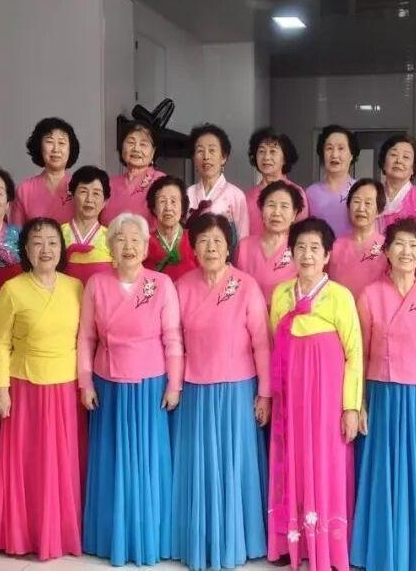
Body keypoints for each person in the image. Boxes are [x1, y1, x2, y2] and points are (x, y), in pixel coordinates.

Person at [78, 213, 183, 566]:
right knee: (112, 462)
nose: (128, 246)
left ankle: (150, 537)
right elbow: (86, 338)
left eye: (135, 239)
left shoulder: (161, 283)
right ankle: (111, 538)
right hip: (108, 384)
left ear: (145, 247)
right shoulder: (96, 283)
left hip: (150, 385)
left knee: (148, 464)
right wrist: (85, 381)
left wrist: (174, 384)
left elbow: (173, 338)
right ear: (110, 246)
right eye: (120, 239)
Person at [171, 213, 272, 570]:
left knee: (234, 465)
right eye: (203, 241)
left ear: (229, 247)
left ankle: (238, 540)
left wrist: (265, 393)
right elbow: (174, 341)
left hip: (238, 390)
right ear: (193, 249)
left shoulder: (246, 285)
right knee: (199, 468)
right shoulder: (181, 286)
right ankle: (199, 540)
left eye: (217, 241)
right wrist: (175, 384)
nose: (211, 247)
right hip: (196, 390)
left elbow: (262, 343)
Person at [350, 217, 416, 571]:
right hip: (381, 396)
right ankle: (380, 551)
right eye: (399, 244)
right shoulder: (369, 295)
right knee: (383, 472)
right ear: (387, 251)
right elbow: (359, 354)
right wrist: (358, 402)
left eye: (414, 245)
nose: (406, 251)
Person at [267, 217, 363, 571]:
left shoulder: (340, 296)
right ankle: (290, 541)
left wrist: (350, 407)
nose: (307, 255)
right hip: (290, 396)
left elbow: (354, 353)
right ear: (291, 253)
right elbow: (274, 341)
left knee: (326, 462)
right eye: (300, 248)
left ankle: (329, 547)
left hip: (326, 398)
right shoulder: (281, 294)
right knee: (290, 458)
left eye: (314, 249)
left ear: (326, 256)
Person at [0, 218, 85, 560]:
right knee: (30, 463)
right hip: (25, 384)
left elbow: (85, 338)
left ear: (61, 249)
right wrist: (1, 388)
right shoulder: (12, 289)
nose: (46, 249)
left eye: (52, 242)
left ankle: (61, 531)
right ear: (26, 250)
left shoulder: (76, 287)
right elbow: (0, 342)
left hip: (67, 385)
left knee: (62, 462)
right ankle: (24, 533)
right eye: (37, 242)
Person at [235, 180, 303, 303]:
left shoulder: (299, 248)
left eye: (284, 206)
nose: (276, 212)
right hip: (248, 313)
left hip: (286, 313)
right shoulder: (244, 246)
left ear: (294, 214)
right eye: (271, 205)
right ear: (261, 210)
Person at [11, 117, 80, 225]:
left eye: (61, 143)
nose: (56, 149)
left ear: (70, 149)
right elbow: (16, 233)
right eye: (49, 142)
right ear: (39, 146)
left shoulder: (80, 188)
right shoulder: (24, 190)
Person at [186, 123, 249, 239]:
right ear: (194, 158)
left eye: (212, 150)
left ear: (223, 157)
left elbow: (243, 239)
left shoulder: (236, 195)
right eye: (200, 151)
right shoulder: (188, 193)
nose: (206, 157)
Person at [328, 178, 389, 297]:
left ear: (379, 210)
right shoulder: (335, 246)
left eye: (368, 203)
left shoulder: (387, 248)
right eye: (356, 201)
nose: (361, 208)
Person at [377, 133, 416, 240]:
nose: (399, 160)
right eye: (393, 155)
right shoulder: (372, 194)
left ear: (413, 169)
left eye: (406, 157)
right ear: (383, 163)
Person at [102, 120, 166, 224]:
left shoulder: (162, 182)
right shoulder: (109, 183)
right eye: (131, 142)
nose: (136, 149)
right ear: (121, 147)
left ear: (153, 152)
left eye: (143, 144)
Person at [245, 127, 308, 233]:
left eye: (273, 151)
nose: (266, 157)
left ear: (285, 158)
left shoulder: (297, 193)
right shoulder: (247, 196)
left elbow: (302, 234)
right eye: (261, 151)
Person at [62, 165, 114, 283]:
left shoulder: (112, 237)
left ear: (105, 202)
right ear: (72, 197)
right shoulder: (58, 234)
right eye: (83, 191)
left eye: (96, 193)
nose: (89, 199)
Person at [306, 124, 358, 237]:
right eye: (329, 148)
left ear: (351, 155)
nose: (334, 155)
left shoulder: (361, 190)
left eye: (341, 148)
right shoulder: (311, 192)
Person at [144, 175, 198, 281]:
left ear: (182, 207)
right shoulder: (144, 242)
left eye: (173, 201)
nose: (168, 207)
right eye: (162, 201)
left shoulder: (195, 239)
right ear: (154, 208)